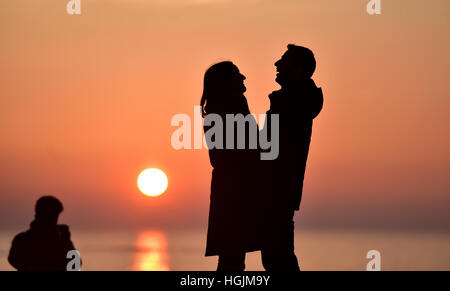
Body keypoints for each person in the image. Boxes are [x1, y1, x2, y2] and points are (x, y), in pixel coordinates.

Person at [260, 44, 323, 271]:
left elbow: (270, 148)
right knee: (277, 255)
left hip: (277, 189)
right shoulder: (294, 100)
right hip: (279, 190)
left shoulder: (293, 102)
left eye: (284, 60)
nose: (277, 64)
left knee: (277, 257)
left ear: (300, 69)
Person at [201, 61, 261, 271]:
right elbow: (249, 150)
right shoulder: (231, 107)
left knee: (232, 258)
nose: (243, 77)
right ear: (226, 82)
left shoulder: (225, 108)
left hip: (231, 190)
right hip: (234, 192)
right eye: (237, 74)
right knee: (232, 259)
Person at [8, 196, 80, 271]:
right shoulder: (22, 240)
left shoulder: (60, 240)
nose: (55, 220)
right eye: (53, 216)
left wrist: (67, 241)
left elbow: (76, 265)